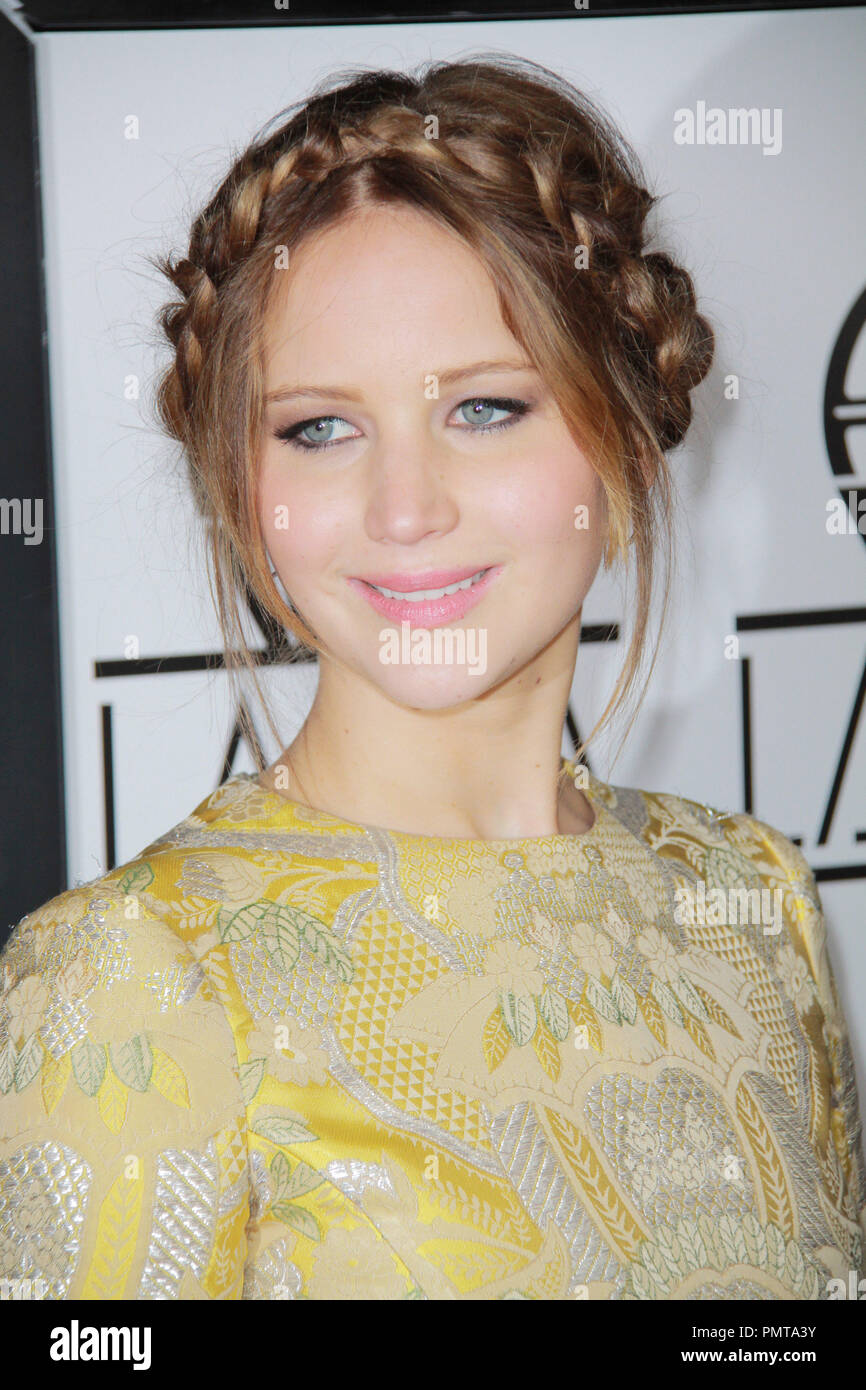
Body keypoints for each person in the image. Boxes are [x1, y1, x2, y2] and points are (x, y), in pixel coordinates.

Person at [1, 54, 863, 1302]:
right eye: (319, 428)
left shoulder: (756, 898)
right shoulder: (133, 974)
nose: (404, 510)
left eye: (483, 409)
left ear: (621, 437)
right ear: (245, 496)